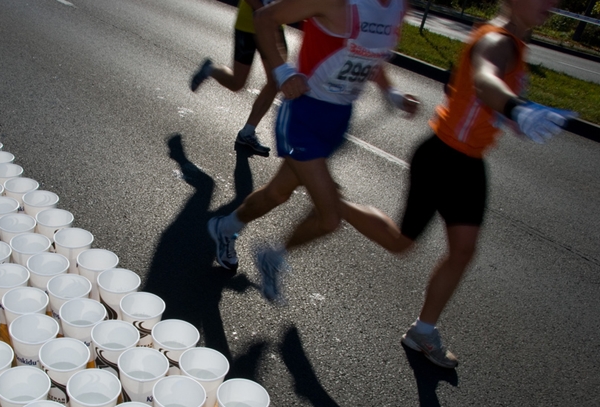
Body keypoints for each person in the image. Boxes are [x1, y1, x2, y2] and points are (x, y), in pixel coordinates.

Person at [336, 0, 575, 368]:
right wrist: (516, 109)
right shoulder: (498, 41)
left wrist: (513, 114)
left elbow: (477, 92)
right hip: (443, 157)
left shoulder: (515, 43)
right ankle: (333, 203)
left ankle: (423, 331)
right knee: (402, 243)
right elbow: (484, 79)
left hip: (470, 162)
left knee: (463, 250)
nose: (552, 4)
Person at [207, 0, 418, 295]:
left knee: (277, 193)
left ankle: (225, 228)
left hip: (338, 119)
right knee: (330, 218)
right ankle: (272, 256)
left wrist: (392, 93)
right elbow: (265, 18)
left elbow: (371, 54)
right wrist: (282, 71)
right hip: (302, 116)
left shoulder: (398, 6)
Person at [190, 0, 288, 156]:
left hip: (273, 26)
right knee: (237, 83)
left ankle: (247, 132)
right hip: (248, 24)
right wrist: (264, 12)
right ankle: (211, 70)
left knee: (275, 81)